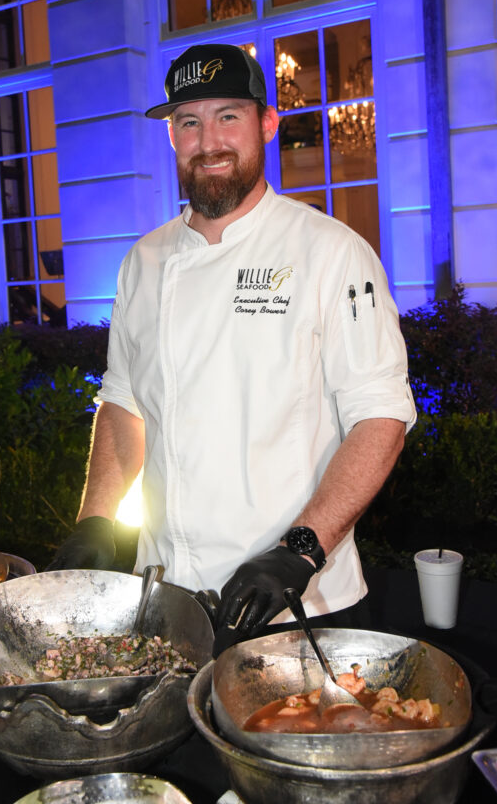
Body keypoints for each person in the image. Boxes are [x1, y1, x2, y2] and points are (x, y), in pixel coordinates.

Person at [49, 42, 416, 646]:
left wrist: (300, 551)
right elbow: (123, 403)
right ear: (171, 135)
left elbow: (381, 417)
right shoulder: (143, 260)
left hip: (296, 599)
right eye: (189, 121)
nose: (208, 140)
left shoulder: (329, 251)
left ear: (266, 124)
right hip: (163, 595)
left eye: (228, 116)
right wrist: (96, 518)